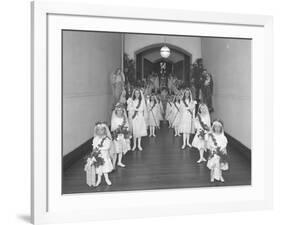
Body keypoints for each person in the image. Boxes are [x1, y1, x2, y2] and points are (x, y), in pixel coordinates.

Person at [91, 122, 114, 186]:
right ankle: (99, 180)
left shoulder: (107, 139)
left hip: (104, 156)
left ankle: (107, 179)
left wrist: (100, 148)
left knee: (105, 168)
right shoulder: (95, 139)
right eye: (98, 130)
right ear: (96, 131)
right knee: (99, 169)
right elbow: (94, 146)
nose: (100, 131)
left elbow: (107, 147)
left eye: (102, 130)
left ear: (105, 130)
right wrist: (94, 154)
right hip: (98, 156)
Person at [111, 103, 131, 168]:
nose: (119, 111)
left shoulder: (124, 118)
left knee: (121, 149)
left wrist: (125, 130)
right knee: (116, 150)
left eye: (121, 110)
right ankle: (114, 163)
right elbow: (113, 127)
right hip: (116, 135)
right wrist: (117, 129)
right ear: (116, 111)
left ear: (122, 111)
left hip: (122, 135)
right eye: (118, 110)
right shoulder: (114, 118)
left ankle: (119, 162)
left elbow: (127, 125)